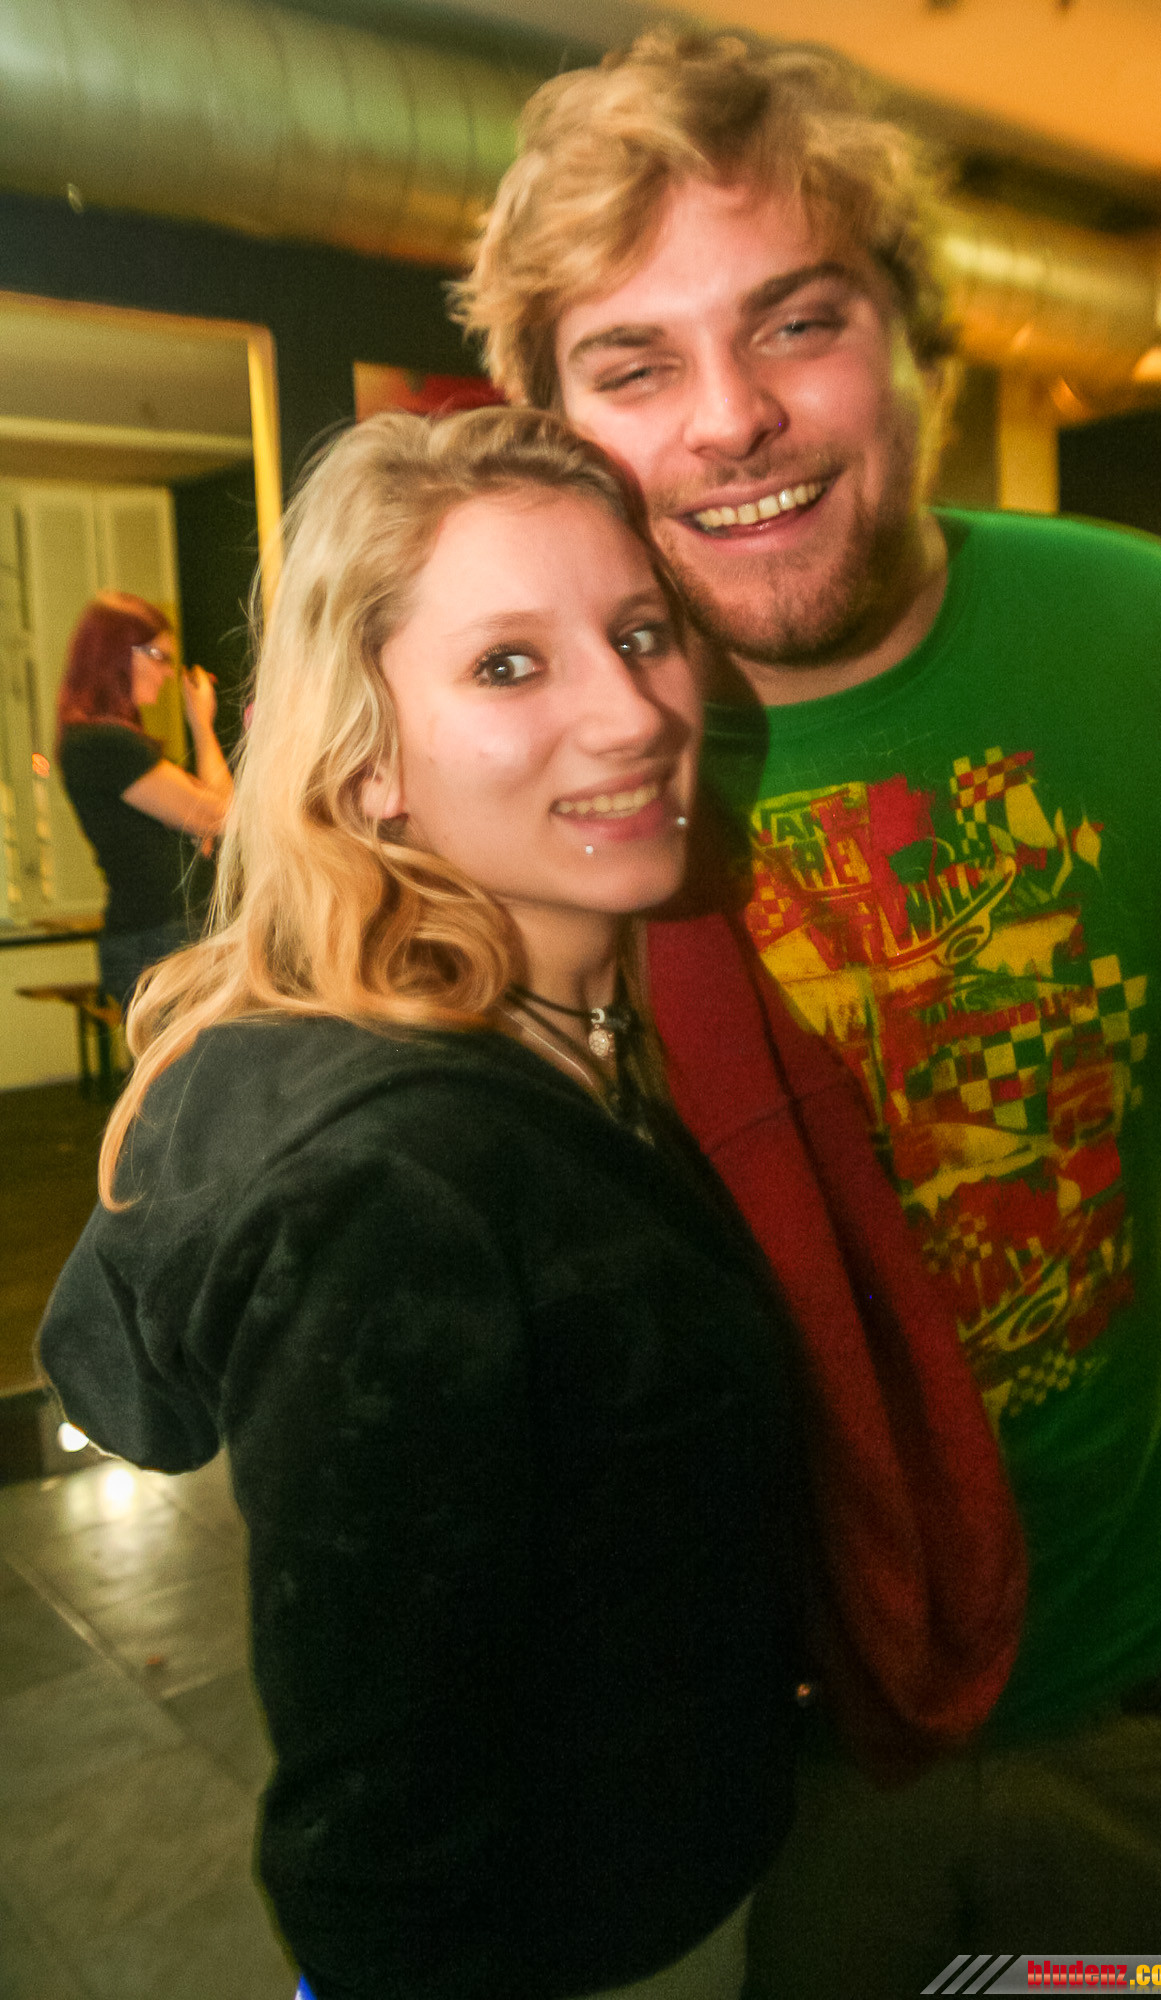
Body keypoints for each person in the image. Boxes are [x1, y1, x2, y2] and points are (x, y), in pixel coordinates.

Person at [460, 29, 1161, 1989]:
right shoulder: (498, 771)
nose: (731, 418)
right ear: (552, 431)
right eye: (633, 364)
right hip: (726, 1754)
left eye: (798, 321)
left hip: (1133, 1708)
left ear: (917, 340)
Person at [39, 407, 811, 2000]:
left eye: (641, 634)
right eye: (508, 665)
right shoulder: (401, 1190)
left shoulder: (577, 1046)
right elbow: (376, 1832)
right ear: (369, 763)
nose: (632, 714)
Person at [55, 592, 233, 1006]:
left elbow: (215, 812)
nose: (167, 672)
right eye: (158, 656)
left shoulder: (107, 743)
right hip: (155, 942)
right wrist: (202, 726)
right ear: (117, 653)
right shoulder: (103, 743)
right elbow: (220, 815)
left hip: (159, 938)